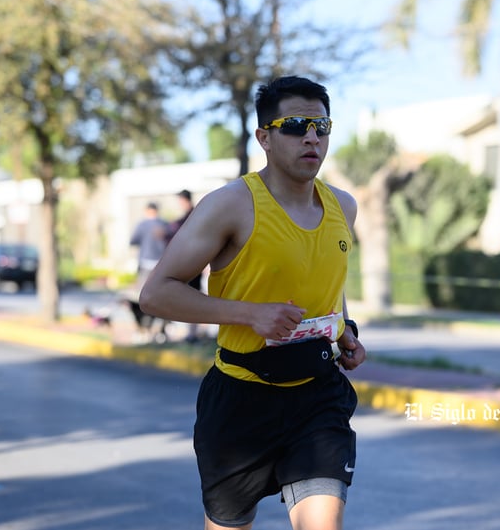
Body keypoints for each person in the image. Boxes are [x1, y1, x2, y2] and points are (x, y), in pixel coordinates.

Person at [140, 76, 366, 530]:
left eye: (322, 126)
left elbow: (326, 282)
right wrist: (249, 313)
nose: (312, 137)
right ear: (264, 136)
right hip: (240, 401)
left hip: (317, 395)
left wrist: (345, 331)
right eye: (296, 125)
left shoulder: (344, 206)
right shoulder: (230, 205)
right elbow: (156, 293)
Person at [166, 189, 204, 342]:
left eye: (180, 200)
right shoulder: (186, 217)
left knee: (193, 297)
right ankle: (190, 332)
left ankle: (192, 333)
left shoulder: (193, 215)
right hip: (187, 262)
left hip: (194, 263)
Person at [129, 201, 168, 288]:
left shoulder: (142, 225)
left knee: (144, 288)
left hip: (145, 260)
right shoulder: (164, 224)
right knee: (159, 288)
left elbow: (133, 241)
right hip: (161, 261)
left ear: (147, 211)